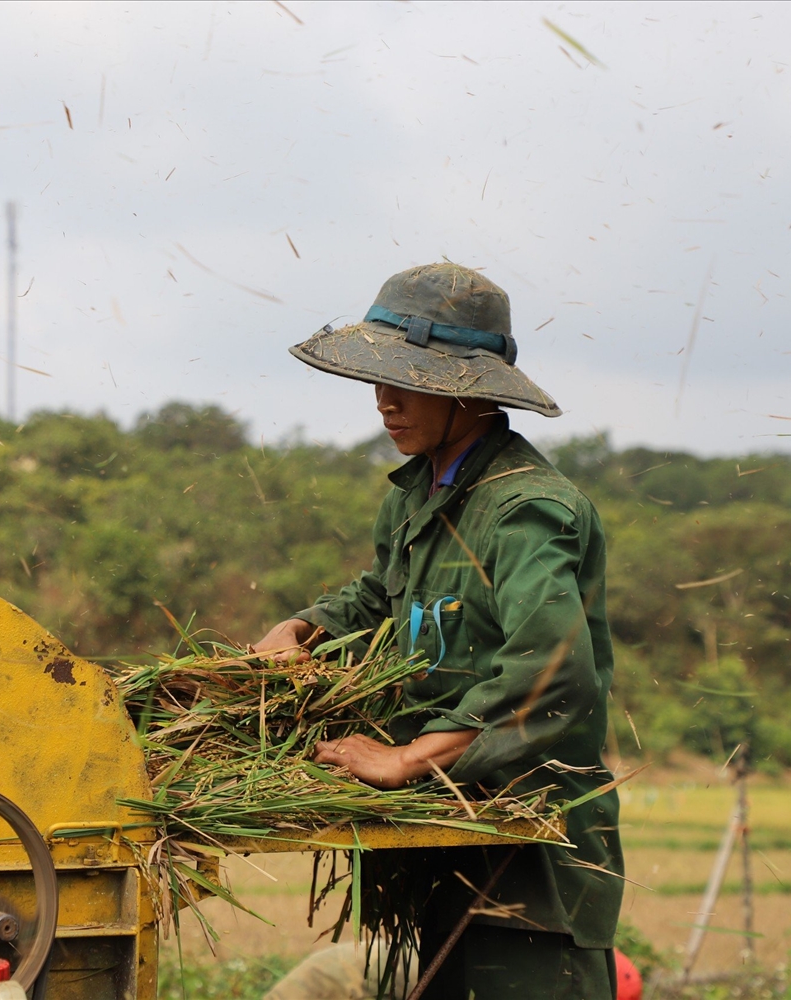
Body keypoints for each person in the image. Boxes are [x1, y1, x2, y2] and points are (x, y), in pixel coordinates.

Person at [253, 262, 623, 999]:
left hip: (529, 873)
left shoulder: (526, 510)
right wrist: (300, 628)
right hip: (447, 859)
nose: (385, 401)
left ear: (469, 390)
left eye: (409, 380)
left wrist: (408, 757)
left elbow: (554, 671)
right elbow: (383, 598)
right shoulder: (418, 495)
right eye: (379, 380)